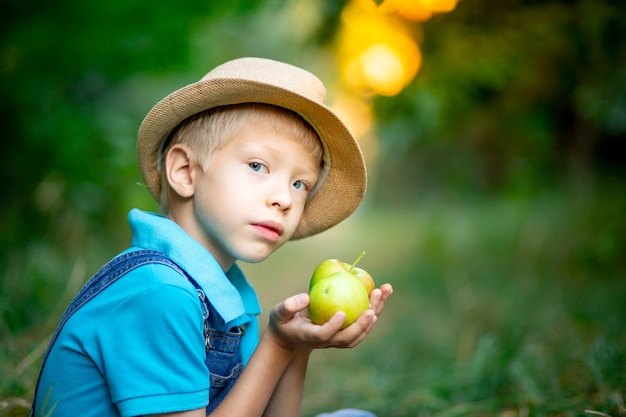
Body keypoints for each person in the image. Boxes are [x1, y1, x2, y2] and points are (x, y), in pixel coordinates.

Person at [31, 57, 393, 417]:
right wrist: (277, 346)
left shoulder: (228, 296)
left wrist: (297, 346)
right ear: (185, 172)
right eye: (257, 166)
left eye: (300, 184)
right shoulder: (159, 293)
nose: (283, 198)